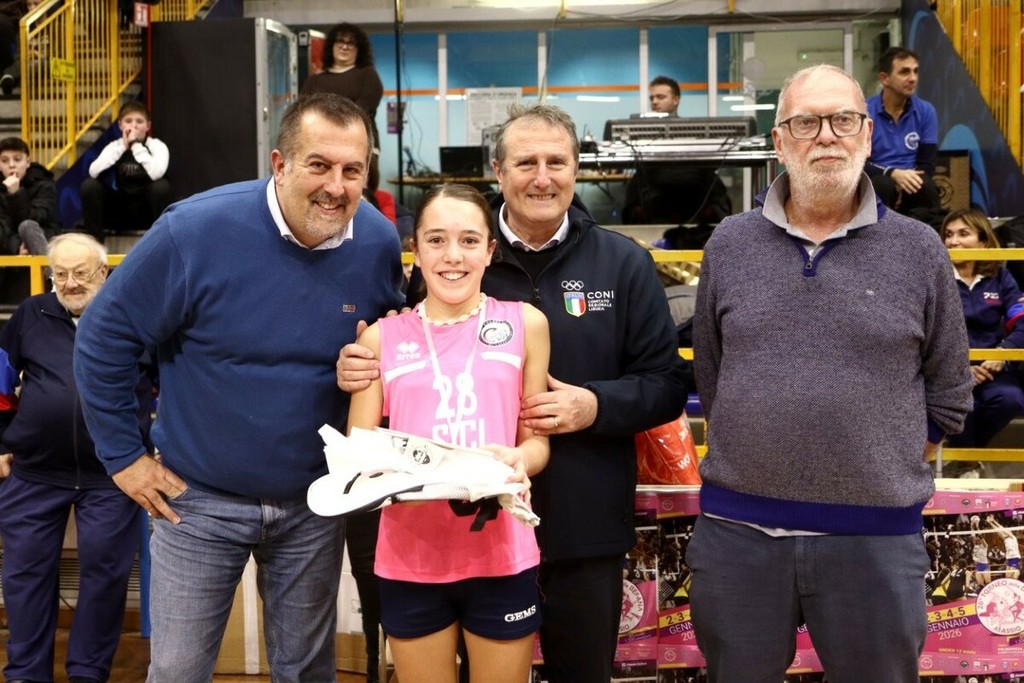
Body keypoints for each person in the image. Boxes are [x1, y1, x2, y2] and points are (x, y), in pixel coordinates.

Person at [339, 103, 689, 682]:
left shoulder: (623, 263)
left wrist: (594, 406)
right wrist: (356, 363)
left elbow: (668, 385)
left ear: (577, 170)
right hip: (453, 532)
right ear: (498, 172)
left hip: (582, 525)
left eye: (557, 162)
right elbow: (401, 349)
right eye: (526, 162)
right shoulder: (459, 253)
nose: (542, 177)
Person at [72, 92, 405, 682]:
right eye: (319, 165)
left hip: (314, 502)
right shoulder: (194, 230)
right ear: (280, 164)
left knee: (307, 673)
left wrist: (369, 363)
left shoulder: (377, 241)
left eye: (353, 170)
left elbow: (393, 342)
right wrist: (123, 458)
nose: (336, 187)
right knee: (177, 672)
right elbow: (103, 337)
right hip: (196, 503)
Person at [688, 64, 973, 683]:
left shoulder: (919, 249)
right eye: (805, 123)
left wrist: (883, 464)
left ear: (867, 136)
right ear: (779, 142)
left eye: (843, 120)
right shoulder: (729, 244)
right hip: (738, 539)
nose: (826, 135)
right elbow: (713, 373)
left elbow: (950, 388)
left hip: (876, 542)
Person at [346, 182, 551, 683]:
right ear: (415, 251)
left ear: (490, 250)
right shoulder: (380, 337)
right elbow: (357, 452)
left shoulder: (526, 323)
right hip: (410, 557)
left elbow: (537, 443)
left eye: (469, 240)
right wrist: (395, 473)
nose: (453, 256)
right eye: (436, 240)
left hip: (502, 553)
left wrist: (518, 461)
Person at [0, 233, 154, 683]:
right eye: (60, 274)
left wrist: (162, 445)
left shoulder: (135, 316)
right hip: (34, 471)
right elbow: (0, 379)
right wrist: (1, 444)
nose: (69, 283)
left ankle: (88, 673)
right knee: (25, 577)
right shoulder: (31, 314)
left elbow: (169, 385)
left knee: (106, 578)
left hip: (114, 475)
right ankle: (26, 674)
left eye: (81, 273)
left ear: (103, 273)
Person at [942, 209, 1024, 450]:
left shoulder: (1000, 277)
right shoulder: (935, 278)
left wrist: (1003, 352)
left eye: (963, 234)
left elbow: (1021, 319)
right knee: (960, 404)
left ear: (984, 241)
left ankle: (965, 456)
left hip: (992, 369)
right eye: (948, 235)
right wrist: (960, 368)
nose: (953, 241)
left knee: (1011, 399)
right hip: (947, 370)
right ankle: (967, 461)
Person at [622, 75, 731, 231]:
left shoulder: (694, 131)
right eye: (652, 98)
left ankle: (718, 233)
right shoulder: (641, 134)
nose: (654, 102)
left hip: (692, 188)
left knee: (713, 186)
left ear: (676, 100)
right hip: (655, 189)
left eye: (660, 97)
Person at [865, 47, 943, 222]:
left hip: (911, 181)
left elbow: (927, 164)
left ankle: (923, 236)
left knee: (926, 186)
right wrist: (892, 173)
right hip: (879, 180)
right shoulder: (864, 111)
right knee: (882, 185)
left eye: (915, 71)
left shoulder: (926, 111)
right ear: (884, 78)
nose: (913, 78)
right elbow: (859, 163)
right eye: (904, 72)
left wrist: (905, 180)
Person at [79, 101, 174, 239]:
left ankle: (163, 241)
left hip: (148, 211)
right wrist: (123, 146)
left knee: (162, 187)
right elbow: (93, 171)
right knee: (89, 185)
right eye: (128, 121)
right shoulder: (115, 146)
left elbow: (156, 173)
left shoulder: (157, 146)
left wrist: (135, 145)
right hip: (122, 210)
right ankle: (95, 243)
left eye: (139, 121)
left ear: (148, 126)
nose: (134, 126)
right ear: (120, 125)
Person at [301, 22, 383, 158]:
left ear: (359, 49)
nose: (345, 46)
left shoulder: (368, 75)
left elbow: (362, 111)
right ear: (331, 46)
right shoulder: (314, 80)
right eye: (340, 41)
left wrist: (328, 124)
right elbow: (304, 112)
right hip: (319, 147)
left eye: (351, 43)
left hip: (358, 147)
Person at [0, 135, 60, 255]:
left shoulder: (44, 184)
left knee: (27, 226)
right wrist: (17, 247)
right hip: (10, 248)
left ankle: (46, 268)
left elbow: (38, 218)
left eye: (17, 159)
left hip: (42, 239)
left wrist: (16, 194)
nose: (11, 165)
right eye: (5, 161)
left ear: (27, 162)